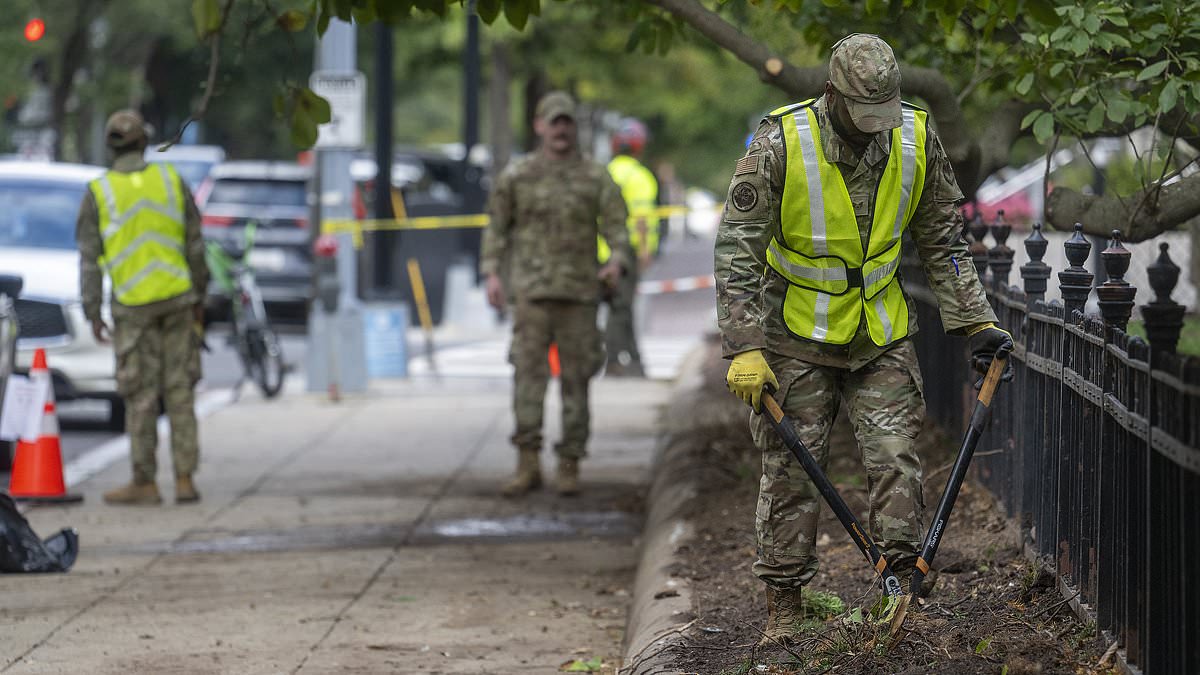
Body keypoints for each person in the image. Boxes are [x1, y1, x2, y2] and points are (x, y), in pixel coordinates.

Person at [714, 34, 1013, 645]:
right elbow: (736, 250)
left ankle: (900, 589)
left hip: (879, 329)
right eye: (861, 115)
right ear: (832, 94)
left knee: (896, 459)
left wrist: (976, 321)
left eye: (883, 112)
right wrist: (744, 344)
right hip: (794, 332)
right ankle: (785, 604)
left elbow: (943, 240)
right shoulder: (780, 142)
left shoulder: (914, 135)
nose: (874, 128)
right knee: (792, 471)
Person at [481, 91, 629, 497]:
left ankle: (570, 464)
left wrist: (615, 260)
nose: (561, 129)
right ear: (540, 126)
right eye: (554, 121)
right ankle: (527, 463)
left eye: (567, 122)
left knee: (576, 382)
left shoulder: (595, 176)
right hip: (530, 294)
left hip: (579, 294)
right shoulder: (517, 175)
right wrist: (492, 273)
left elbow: (617, 226)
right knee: (528, 378)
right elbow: (496, 228)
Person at [77, 109, 208, 505]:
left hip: (132, 307)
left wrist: (92, 310)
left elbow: (89, 259)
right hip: (177, 297)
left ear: (110, 146)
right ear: (145, 142)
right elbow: (195, 244)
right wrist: (199, 297)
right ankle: (185, 479)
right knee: (180, 389)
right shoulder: (171, 181)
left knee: (140, 394)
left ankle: (145, 483)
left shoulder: (99, 192)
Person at [601, 117, 659, 377]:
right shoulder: (640, 177)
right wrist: (645, 249)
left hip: (600, 251)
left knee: (618, 306)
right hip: (628, 252)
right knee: (621, 307)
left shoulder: (605, 172)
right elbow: (642, 218)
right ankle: (615, 360)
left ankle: (633, 359)